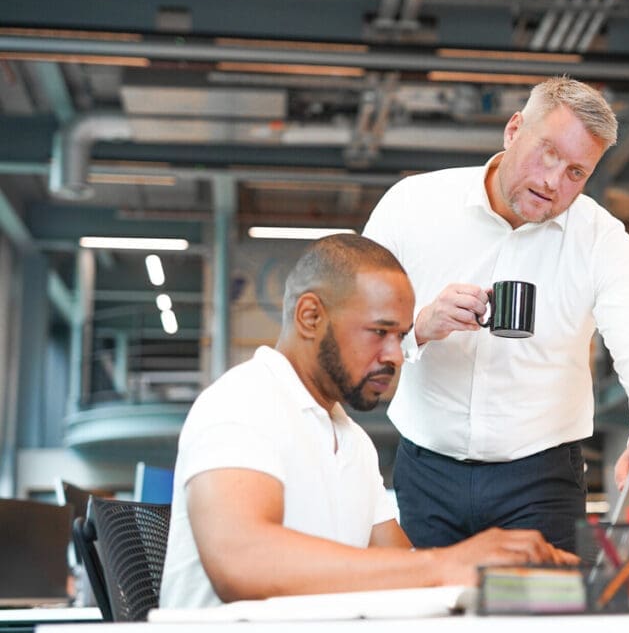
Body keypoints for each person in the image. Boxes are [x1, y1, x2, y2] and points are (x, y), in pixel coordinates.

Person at [159, 234, 574, 609]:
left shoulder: (352, 440)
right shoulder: (243, 402)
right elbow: (242, 562)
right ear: (310, 317)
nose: (396, 355)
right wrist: (447, 562)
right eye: (380, 332)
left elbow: (400, 570)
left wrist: (520, 578)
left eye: (401, 335)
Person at [362, 77, 629, 553]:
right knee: (428, 619)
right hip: (426, 471)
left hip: (542, 481)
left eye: (576, 172)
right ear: (514, 131)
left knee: (546, 623)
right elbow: (359, 324)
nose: (554, 181)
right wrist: (421, 327)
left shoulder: (602, 239)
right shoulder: (412, 207)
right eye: (547, 153)